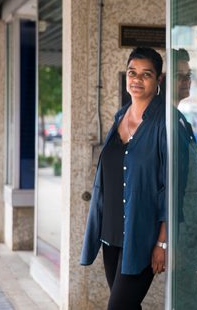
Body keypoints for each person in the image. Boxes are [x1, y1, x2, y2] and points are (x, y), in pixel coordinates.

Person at [80, 47, 167, 310]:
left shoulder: (165, 123)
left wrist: (162, 242)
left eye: (146, 74)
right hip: (111, 235)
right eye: (132, 72)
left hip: (142, 237)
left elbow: (170, 187)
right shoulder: (120, 116)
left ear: (158, 80)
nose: (137, 79)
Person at [171, 48, 197, 309]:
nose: (187, 81)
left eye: (189, 75)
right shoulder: (165, 122)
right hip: (177, 236)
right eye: (179, 75)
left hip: (186, 234)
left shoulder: (180, 120)